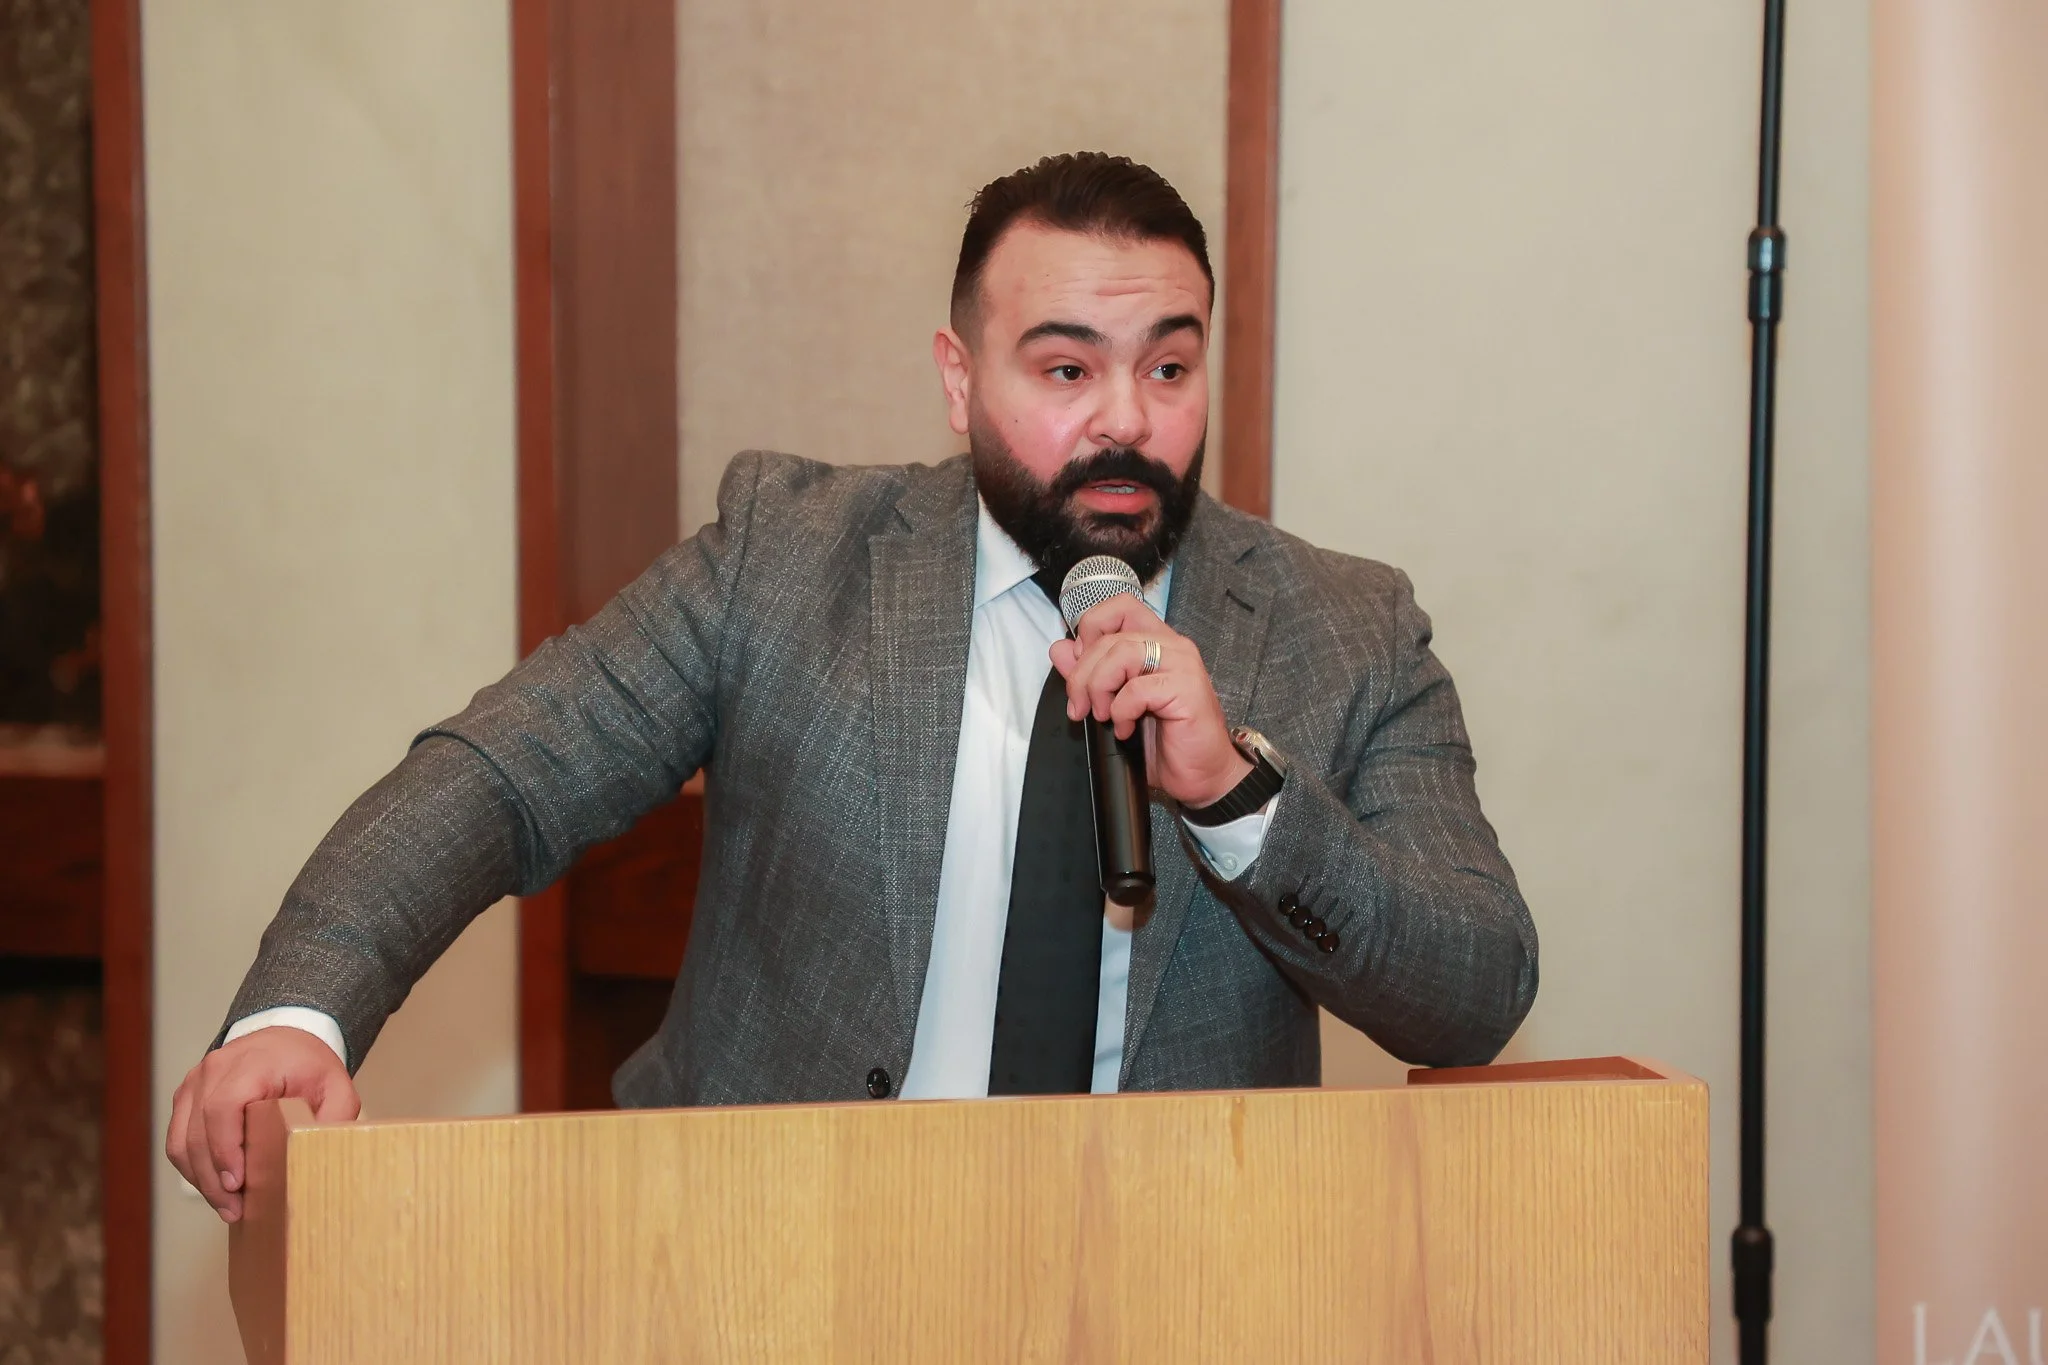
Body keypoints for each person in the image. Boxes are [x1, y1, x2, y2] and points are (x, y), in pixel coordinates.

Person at [167, 152, 1538, 1223]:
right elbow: (502, 776)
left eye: (1168, 367)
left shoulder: (1347, 626)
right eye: (1065, 368)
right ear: (958, 379)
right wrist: (298, 1015)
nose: (1125, 417)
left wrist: (1238, 796)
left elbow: (1472, 990)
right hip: (764, 1265)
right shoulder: (788, 556)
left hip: (1165, 1286)